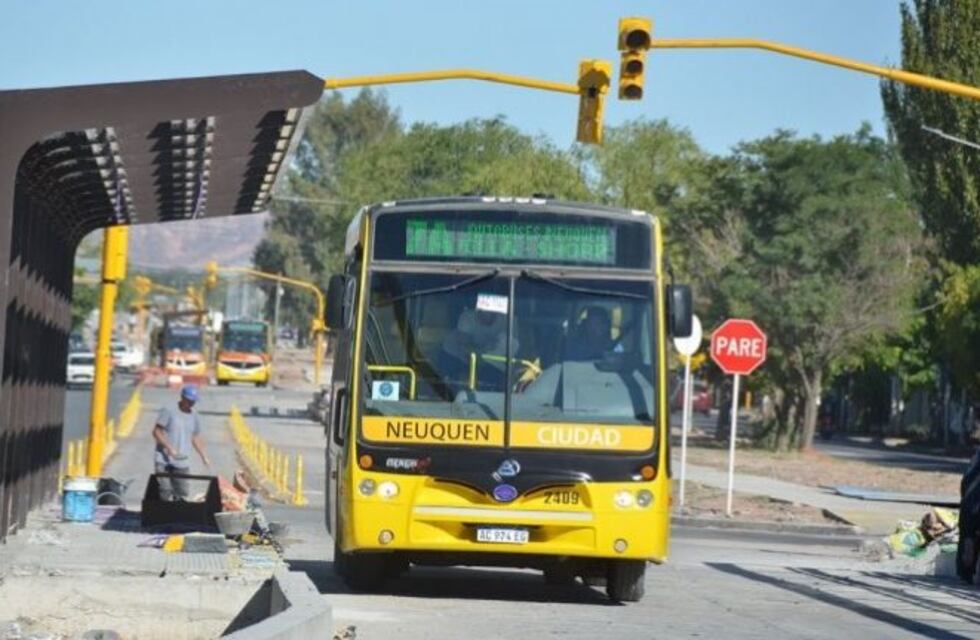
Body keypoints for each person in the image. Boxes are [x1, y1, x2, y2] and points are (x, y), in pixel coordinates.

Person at [152, 384, 210, 501]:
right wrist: (168, 447)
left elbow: (195, 437)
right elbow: (156, 431)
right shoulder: (169, 410)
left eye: (193, 401)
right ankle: (161, 515)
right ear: (182, 397)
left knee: (182, 492)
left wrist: (203, 456)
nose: (191, 404)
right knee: (165, 490)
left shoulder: (194, 415)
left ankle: (176, 514)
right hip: (163, 460)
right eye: (189, 401)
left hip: (182, 460)